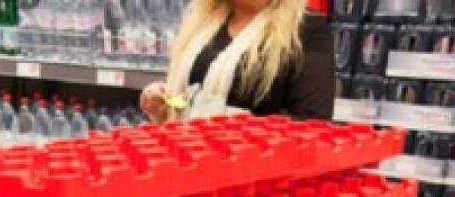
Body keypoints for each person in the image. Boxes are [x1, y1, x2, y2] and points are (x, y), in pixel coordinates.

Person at [141, 0, 334, 123]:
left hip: (255, 176)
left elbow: (311, 119)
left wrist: (227, 122)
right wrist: (167, 102)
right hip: (187, 163)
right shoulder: (203, 23)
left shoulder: (305, 30)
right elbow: (194, 95)